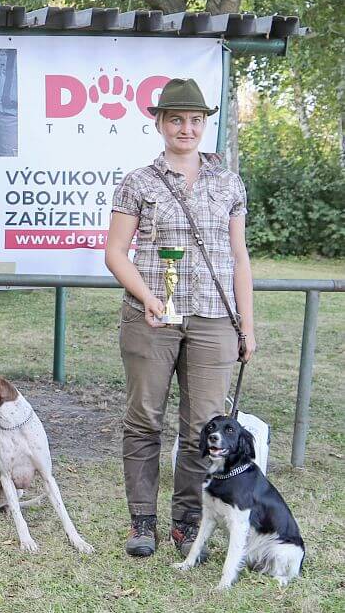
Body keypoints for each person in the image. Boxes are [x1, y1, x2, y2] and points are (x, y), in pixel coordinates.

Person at [104, 78, 256, 560]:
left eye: (194, 120)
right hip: (151, 319)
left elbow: (239, 257)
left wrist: (247, 326)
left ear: (205, 124)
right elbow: (115, 252)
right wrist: (149, 297)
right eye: (176, 120)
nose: (186, 128)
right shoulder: (139, 181)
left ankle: (187, 523)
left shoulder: (229, 182)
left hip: (214, 319)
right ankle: (142, 522)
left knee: (203, 430)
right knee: (143, 421)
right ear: (159, 123)